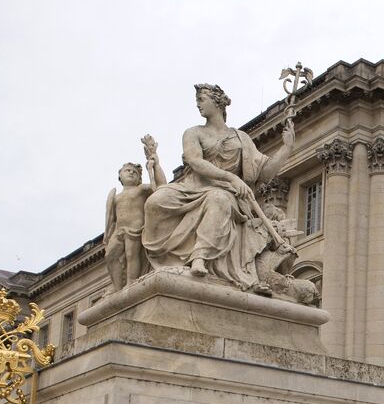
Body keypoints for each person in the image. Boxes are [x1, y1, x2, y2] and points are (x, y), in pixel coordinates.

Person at [142, 83, 295, 287]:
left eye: (201, 100)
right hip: (192, 188)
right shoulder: (193, 133)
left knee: (218, 200)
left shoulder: (242, 139)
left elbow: (265, 173)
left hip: (227, 194)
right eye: (197, 101)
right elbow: (195, 161)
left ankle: (199, 257)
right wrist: (231, 177)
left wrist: (287, 147)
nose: (198, 105)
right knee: (155, 201)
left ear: (217, 102)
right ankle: (157, 258)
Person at [104, 136, 166, 292]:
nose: (131, 173)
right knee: (110, 256)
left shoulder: (141, 189)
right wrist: (107, 234)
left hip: (135, 228)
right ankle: (118, 287)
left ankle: (132, 283)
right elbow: (111, 218)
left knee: (132, 256)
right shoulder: (115, 196)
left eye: (134, 172)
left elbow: (159, 188)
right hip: (118, 231)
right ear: (120, 176)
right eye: (127, 171)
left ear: (139, 178)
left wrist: (151, 169)